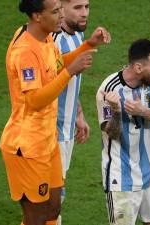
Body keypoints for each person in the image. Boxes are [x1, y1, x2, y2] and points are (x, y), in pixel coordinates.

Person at [0, 0, 110, 224]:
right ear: (37, 16)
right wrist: (70, 72)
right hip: (28, 147)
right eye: (55, 11)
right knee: (36, 216)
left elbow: (57, 65)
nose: (62, 15)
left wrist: (87, 44)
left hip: (48, 141)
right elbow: (34, 100)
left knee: (53, 208)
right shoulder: (25, 52)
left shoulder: (46, 37)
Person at [96, 39, 150, 225]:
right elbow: (110, 133)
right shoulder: (109, 89)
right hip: (122, 178)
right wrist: (115, 111)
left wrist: (141, 111)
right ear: (138, 67)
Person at [51, 1, 93, 223]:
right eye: (77, 7)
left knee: (56, 199)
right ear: (60, 8)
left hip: (67, 132)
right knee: (49, 203)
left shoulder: (77, 37)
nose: (84, 13)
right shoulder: (53, 42)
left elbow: (69, 84)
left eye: (87, 6)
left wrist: (78, 114)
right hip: (51, 134)